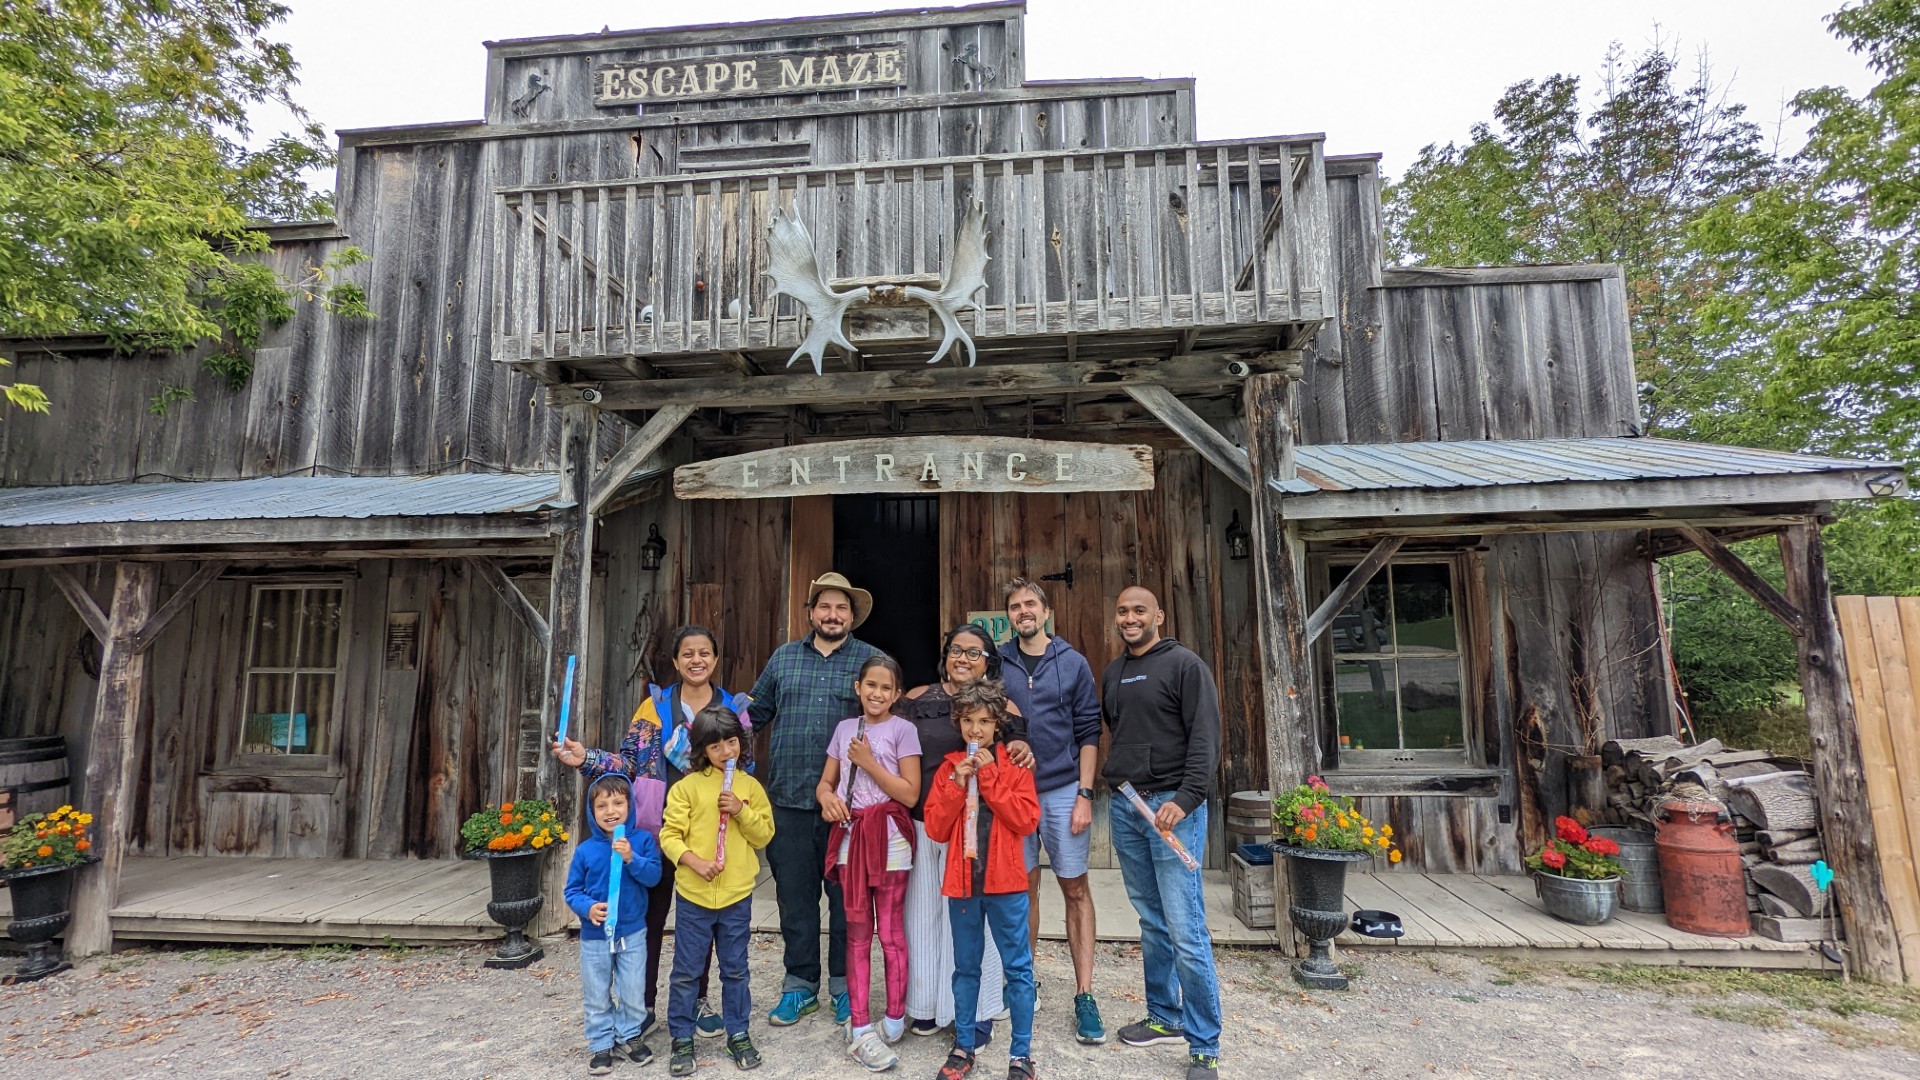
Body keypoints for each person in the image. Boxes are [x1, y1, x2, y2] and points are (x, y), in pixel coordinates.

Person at [553, 625, 745, 1039]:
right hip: (655, 833)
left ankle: (697, 999)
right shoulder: (652, 708)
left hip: (707, 834)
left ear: (715, 659)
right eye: (688, 654)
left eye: (705, 653)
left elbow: (742, 768)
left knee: (702, 925)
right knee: (647, 920)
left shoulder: (732, 708)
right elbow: (627, 764)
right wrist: (586, 757)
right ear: (675, 662)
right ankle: (644, 1004)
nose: (697, 660)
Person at [1100, 586, 1224, 1080]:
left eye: (1139, 611)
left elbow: (1206, 737)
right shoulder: (1113, 672)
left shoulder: (1184, 666)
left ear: (1158, 616)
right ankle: (1164, 1015)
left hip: (1171, 809)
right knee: (1151, 919)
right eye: (1123, 611)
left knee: (1185, 927)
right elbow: (1119, 729)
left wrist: (1185, 799)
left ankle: (1204, 1045)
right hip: (1128, 806)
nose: (1130, 618)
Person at [748, 572, 880, 1028]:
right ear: (811, 613)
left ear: (852, 615)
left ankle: (845, 986)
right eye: (824, 606)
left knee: (848, 903)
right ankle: (800, 986)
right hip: (787, 801)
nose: (832, 615)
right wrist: (701, 732)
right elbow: (752, 716)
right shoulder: (784, 659)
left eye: (841, 608)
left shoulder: (871, 662)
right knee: (795, 898)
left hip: (849, 807)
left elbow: (889, 719)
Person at [900, 625, 1035, 1043]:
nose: (963, 658)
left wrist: (1008, 762)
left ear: (989, 662)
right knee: (925, 917)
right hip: (933, 818)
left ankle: (980, 1012)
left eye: (974, 653)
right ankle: (925, 1004)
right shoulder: (918, 699)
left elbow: (1018, 767)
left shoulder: (1004, 709)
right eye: (956, 650)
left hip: (991, 837)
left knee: (985, 933)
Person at [996, 577, 1106, 1044]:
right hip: (1014, 793)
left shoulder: (1073, 662)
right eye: (1015, 606)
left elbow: (1089, 732)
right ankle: (1027, 980)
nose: (1024, 611)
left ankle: (1084, 994)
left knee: (1075, 888)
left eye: (1030, 604)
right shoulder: (995, 662)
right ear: (1009, 617)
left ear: (1045, 611)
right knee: (1024, 890)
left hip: (1063, 791)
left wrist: (1085, 794)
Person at [922, 680, 1040, 1080]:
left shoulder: (1015, 764)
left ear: (998, 725)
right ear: (958, 722)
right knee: (966, 968)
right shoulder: (948, 766)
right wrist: (957, 783)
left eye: (985, 721)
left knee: (1019, 968)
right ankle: (964, 1046)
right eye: (969, 720)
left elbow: (1026, 819)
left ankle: (1021, 1054)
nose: (976, 729)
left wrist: (989, 777)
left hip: (1007, 883)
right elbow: (936, 828)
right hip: (964, 884)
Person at [659, 705, 774, 1077]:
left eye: (732, 743)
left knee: (736, 969)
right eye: (715, 746)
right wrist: (694, 861)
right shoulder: (686, 788)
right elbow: (669, 836)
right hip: (694, 895)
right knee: (687, 971)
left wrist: (741, 810)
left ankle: (738, 1031)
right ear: (701, 751)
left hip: (736, 895)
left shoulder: (750, 787)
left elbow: (764, 835)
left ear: (742, 743)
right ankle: (681, 1036)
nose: (726, 752)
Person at [818, 654, 920, 1071]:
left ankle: (894, 1019)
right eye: (870, 685)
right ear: (858, 688)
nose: (877, 693)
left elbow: (910, 794)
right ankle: (861, 1025)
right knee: (857, 933)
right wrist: (827, 799)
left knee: (892, 932)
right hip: (851, 836)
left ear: (897, 694)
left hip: (892, 840)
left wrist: (869, 763)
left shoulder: (904, 730)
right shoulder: (844, 729)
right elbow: (827, 782)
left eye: (886, 687)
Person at [564, 773, 666, 1076]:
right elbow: (572, 891)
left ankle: (628, 1035)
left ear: (630, 805)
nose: (611, 811)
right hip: (595, 937)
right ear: (591, 812)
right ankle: (600, 1044)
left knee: (633, 990)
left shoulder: (643, 841)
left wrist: (632, 858)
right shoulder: (585, 850)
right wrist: (587, 907)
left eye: (618, 803)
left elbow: (654, 878)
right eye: (602, 806)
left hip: (633, 932)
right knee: (596, 992)